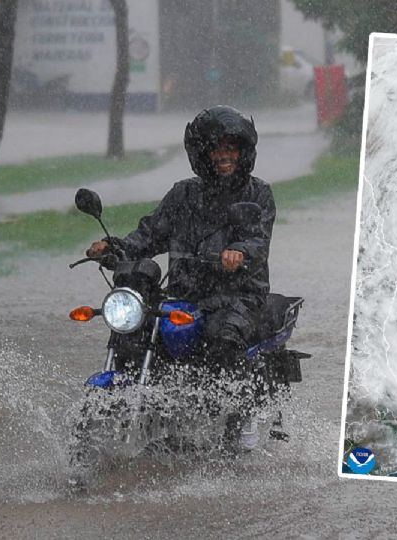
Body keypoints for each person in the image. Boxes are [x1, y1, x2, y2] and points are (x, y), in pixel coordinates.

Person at [85, 105, 276, 451]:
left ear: (243, 151)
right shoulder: (182, 195)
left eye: (230, 147)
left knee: (223, 340)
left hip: (237, 294)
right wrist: (113, 247)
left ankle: (240, 421)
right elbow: (149, 234)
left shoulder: (257, 194)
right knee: (140, 333)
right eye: (215, 148)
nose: (223, 156)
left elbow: (256, 238)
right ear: (201, 153)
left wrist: (239, 253)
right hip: (184, 295)